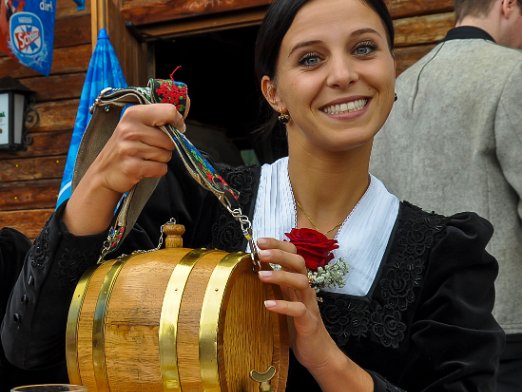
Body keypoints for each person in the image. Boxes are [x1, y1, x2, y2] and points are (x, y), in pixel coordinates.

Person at [1, 0, 505, 390]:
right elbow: (31, 351)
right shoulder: (197, 205)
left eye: (365, 48)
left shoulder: (445, 256)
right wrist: (98, 186)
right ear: (274, 92)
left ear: (392, 72)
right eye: (311, 58)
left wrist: (325, 357)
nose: (343, 73)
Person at [370, 0, 522, 389]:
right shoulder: (513, 72)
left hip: (418, 329)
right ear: (507, 5)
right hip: (504, 325)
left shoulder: (396, 90)